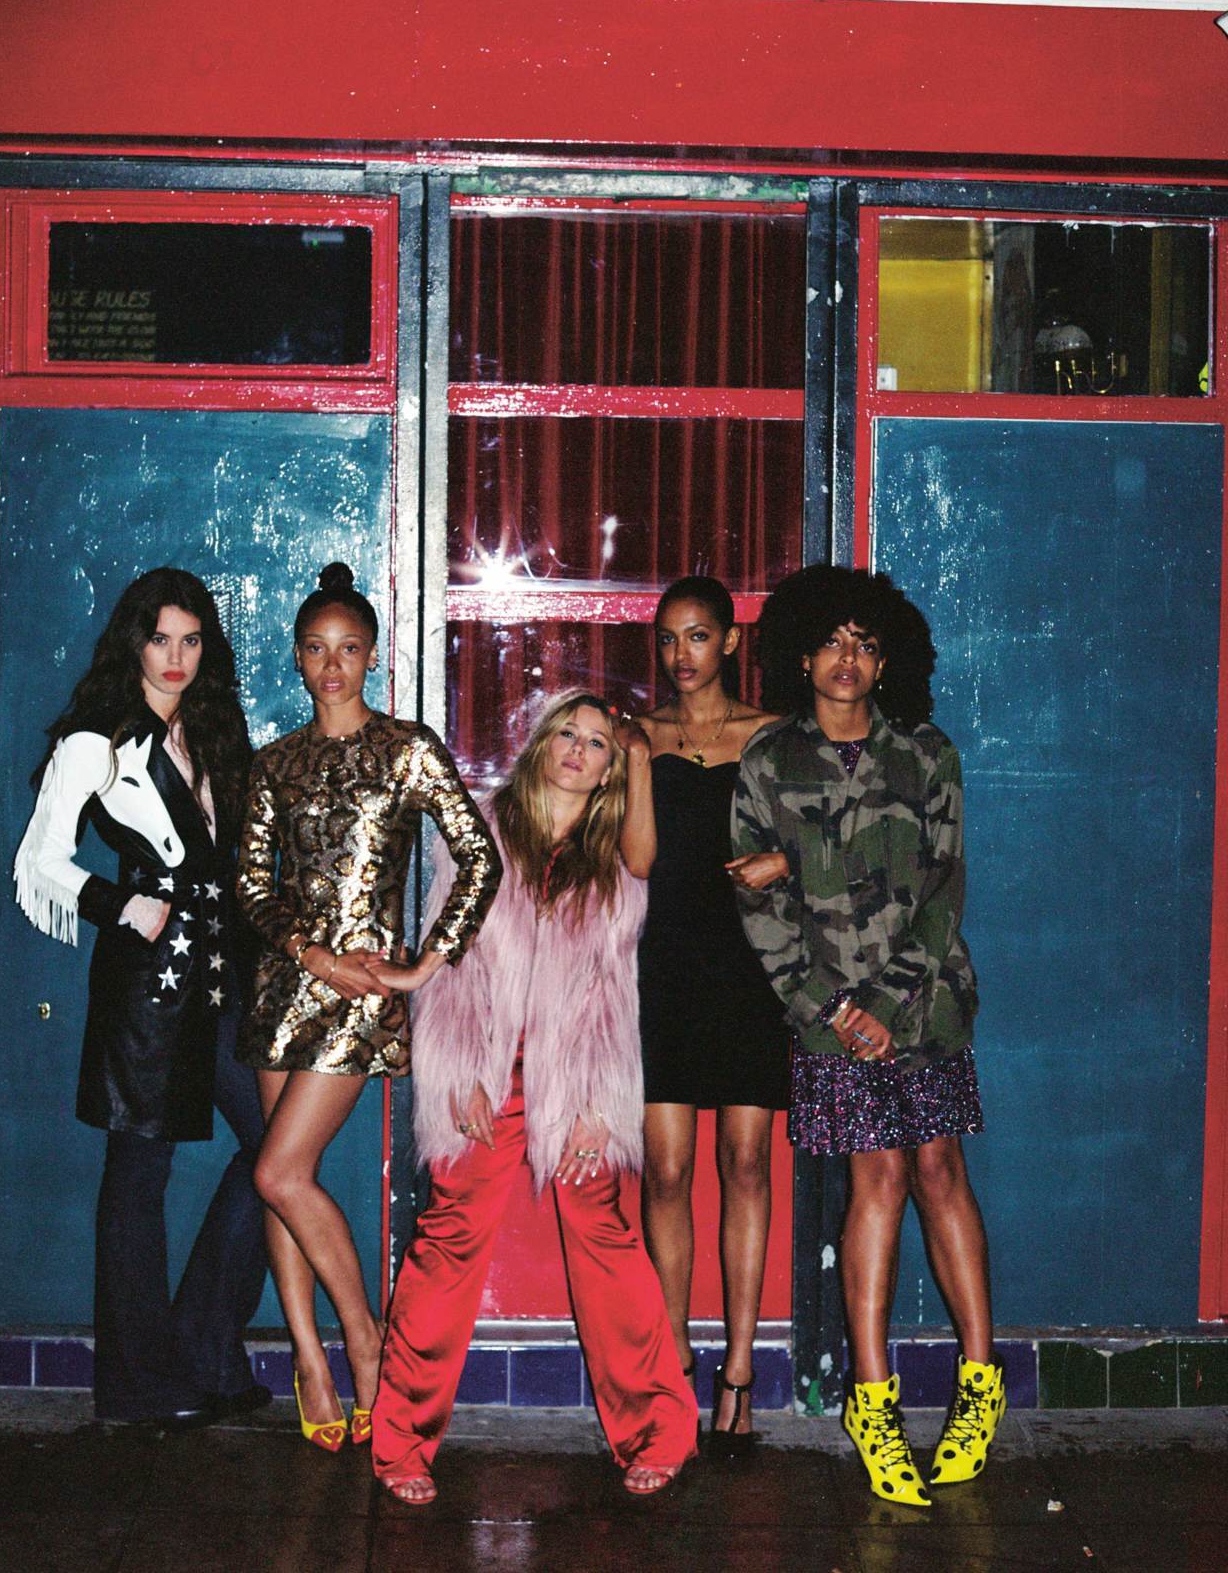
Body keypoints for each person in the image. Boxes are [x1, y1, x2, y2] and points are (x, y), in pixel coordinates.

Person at [372, 691, 699, 1505]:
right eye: (566, 734)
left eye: (596, 743)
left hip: (576, 1081)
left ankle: (659, 1433)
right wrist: (459, 1072)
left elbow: (611, 992)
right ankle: (401, 1443)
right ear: (541, 743)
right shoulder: (481, 830)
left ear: (609, 768)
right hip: (485, 1075)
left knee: (608, 1242)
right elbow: (449, 957)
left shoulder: (614, 861)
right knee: (446, 1241)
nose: (578, 750)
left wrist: (598, 1103)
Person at [731, 566, 1001, 1507]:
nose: (847, 659)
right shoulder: (768, 761)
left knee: (939, 1171)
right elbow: (756, 908)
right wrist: (832, 1010)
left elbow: (942, 887)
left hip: (925, 1009)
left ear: (887, 663)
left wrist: (885, 1002)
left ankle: (979, 1387)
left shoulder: (925, 755)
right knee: (874, 1181)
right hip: (828, 1021)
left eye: (866, 644)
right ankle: (872, 1404)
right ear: (801, 656)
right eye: (831, 642)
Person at [237, 561, 500, 1452]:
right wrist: (308, 953)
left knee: (279, 1173)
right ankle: (310, 1361)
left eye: (348, 649)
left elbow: (480, 858)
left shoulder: (406, 748)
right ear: (297, 658)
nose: (332, 665)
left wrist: (426, 966)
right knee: (281, 1180)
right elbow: (251, 887)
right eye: (316, 649)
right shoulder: (274, 762)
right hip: (284, 986)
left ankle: (364, 1337)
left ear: (373, 656)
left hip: (361, 998)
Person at [13, 566, 270, 1427]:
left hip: (223, 973)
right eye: (160, 639)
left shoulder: (214, 728)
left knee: (276, 1153)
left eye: (190, 640)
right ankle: (136, 1384)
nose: (175, 657)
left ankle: (202, 1343)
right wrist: (120, 903)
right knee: (138, 1172)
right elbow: (39, 860)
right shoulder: (97, 739)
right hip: (147, 984)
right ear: (135, 642)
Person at [615, 576, 787, 1455]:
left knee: (746, 1163)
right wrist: (635, 763)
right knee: (667, 1171)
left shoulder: (771, 735)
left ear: (728, 642)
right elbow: (638, 861)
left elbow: (816, 843)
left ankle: (740, 1372)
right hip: (668, 965)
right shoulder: (638, 736)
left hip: (751, 966)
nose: (679, 654)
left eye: (696, 636)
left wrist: (783, 862)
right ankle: (673, 1364)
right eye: (667, 638)